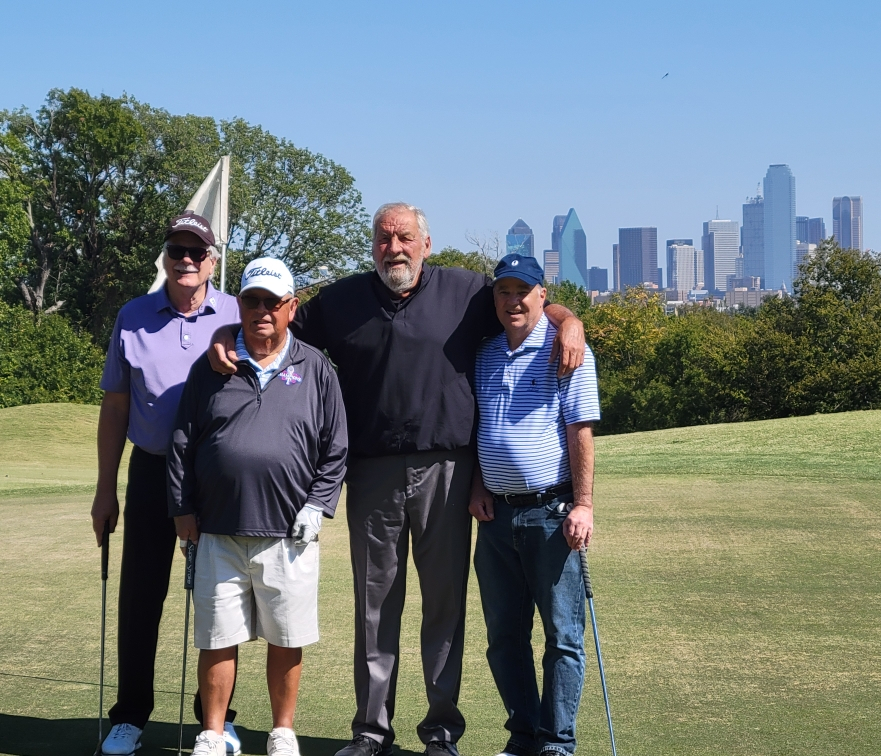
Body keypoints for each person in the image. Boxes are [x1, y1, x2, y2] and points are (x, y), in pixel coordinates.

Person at [208, 203, 586, 756]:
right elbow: (274, 320)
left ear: (425, 243)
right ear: (373, 247)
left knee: (444, 609)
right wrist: (225, 332)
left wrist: (570, 321)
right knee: (375, 608)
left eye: (405, 237)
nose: (395, 249)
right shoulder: (342, 301)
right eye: (384, 239)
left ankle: (440, 733)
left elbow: (525, 300)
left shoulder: (467, 293)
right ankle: (371, 731)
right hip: (372, 474)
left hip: (448, 473)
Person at [168, 258, 349, 756]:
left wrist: (318, 505)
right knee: (216, 635)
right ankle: (211, 731)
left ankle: (282, 730)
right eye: (252, 300)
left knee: (285, 636)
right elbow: (183, 440)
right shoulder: (211, 367)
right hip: (217, 529)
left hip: (289, 532)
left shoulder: (315, 368)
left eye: (273, 302)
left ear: (291, 307)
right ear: (239, 305)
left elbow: (335, 447)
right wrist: (182, 509)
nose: (262, 311)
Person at [91, 212, 243, 756]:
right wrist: (105, 489)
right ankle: (130, 715)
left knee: (220, 600)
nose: (186, 259)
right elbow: (114, 407)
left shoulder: (235, 310)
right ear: (166, 257)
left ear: (213, 260)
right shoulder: (133, 315)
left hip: (217, 473)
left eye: (197, 252)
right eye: (177, 250)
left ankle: (216, 721)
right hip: (152, 470)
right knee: (141, 596)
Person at [469, 254, 600, 756]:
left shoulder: (567, 349)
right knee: (504, 636)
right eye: (503, 291)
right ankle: (523, 737)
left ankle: (557, 742)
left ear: (542, 296)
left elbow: (580, 430)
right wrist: (479, 483)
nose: (513, 300)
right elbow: (478, 427)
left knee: (562, 637)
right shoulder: (484, 353)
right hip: (496, 516)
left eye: (523, 291)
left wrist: (583, 504)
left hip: (551, 512)